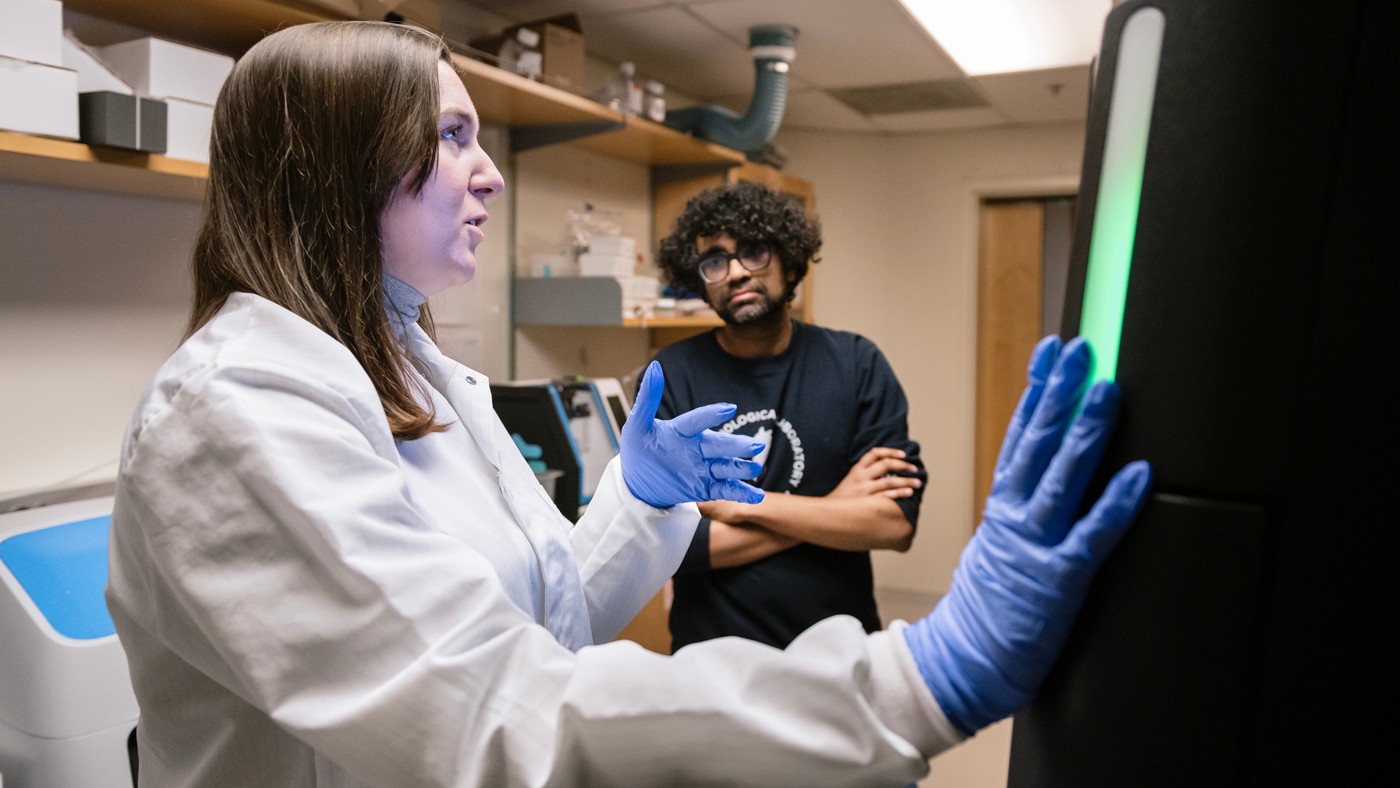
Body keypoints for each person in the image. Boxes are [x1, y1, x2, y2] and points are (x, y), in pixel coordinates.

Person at [105, 20, 1152, 787]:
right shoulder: (237, 411)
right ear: (340, 165)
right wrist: (920, 675)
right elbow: (495, 709)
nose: (491, 177)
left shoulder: (416, 370)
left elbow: (542, 623)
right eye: (456, 136)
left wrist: (642, 500)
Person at [651, 181, 926, 651]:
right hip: (711, 660)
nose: (736, 272)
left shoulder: (856, 363)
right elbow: (675, 549)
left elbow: (894, 524)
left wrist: (740, 504)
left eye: (753, 252)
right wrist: (836, 507)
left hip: (839, 653)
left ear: (790, 258)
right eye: (714, 260)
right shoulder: (671, 375)